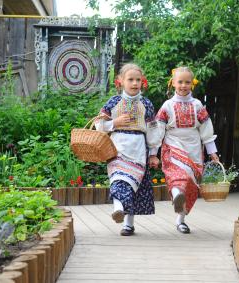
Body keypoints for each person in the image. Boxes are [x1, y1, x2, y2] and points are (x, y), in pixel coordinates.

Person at [149, 66, 219, 234]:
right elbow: (158, 129)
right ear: (173, 83)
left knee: (191, 184)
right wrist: (153, 153)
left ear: (192, 84)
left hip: (193, 148)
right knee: (177, 175)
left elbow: (206, 129)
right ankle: (177, 195)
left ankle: (181, 219)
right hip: (173, 145)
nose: (183, 85)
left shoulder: (197, 105)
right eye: (180, 82)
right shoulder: (167, 105)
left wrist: (212, 151)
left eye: (187, 82)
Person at [94, 63, 156, 236]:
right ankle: (118, 208)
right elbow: (99, 125)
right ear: (120, 81)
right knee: (118, 180)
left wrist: (153, 154)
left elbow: (153, 130)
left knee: (133, 185)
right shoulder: (113, 102)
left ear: (142, 82)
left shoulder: (146, 104)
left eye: (138, 80)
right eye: (130, 79)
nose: (135, 83)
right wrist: (115, 123)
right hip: (117, 148)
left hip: (138, 149)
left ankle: (128, 224)